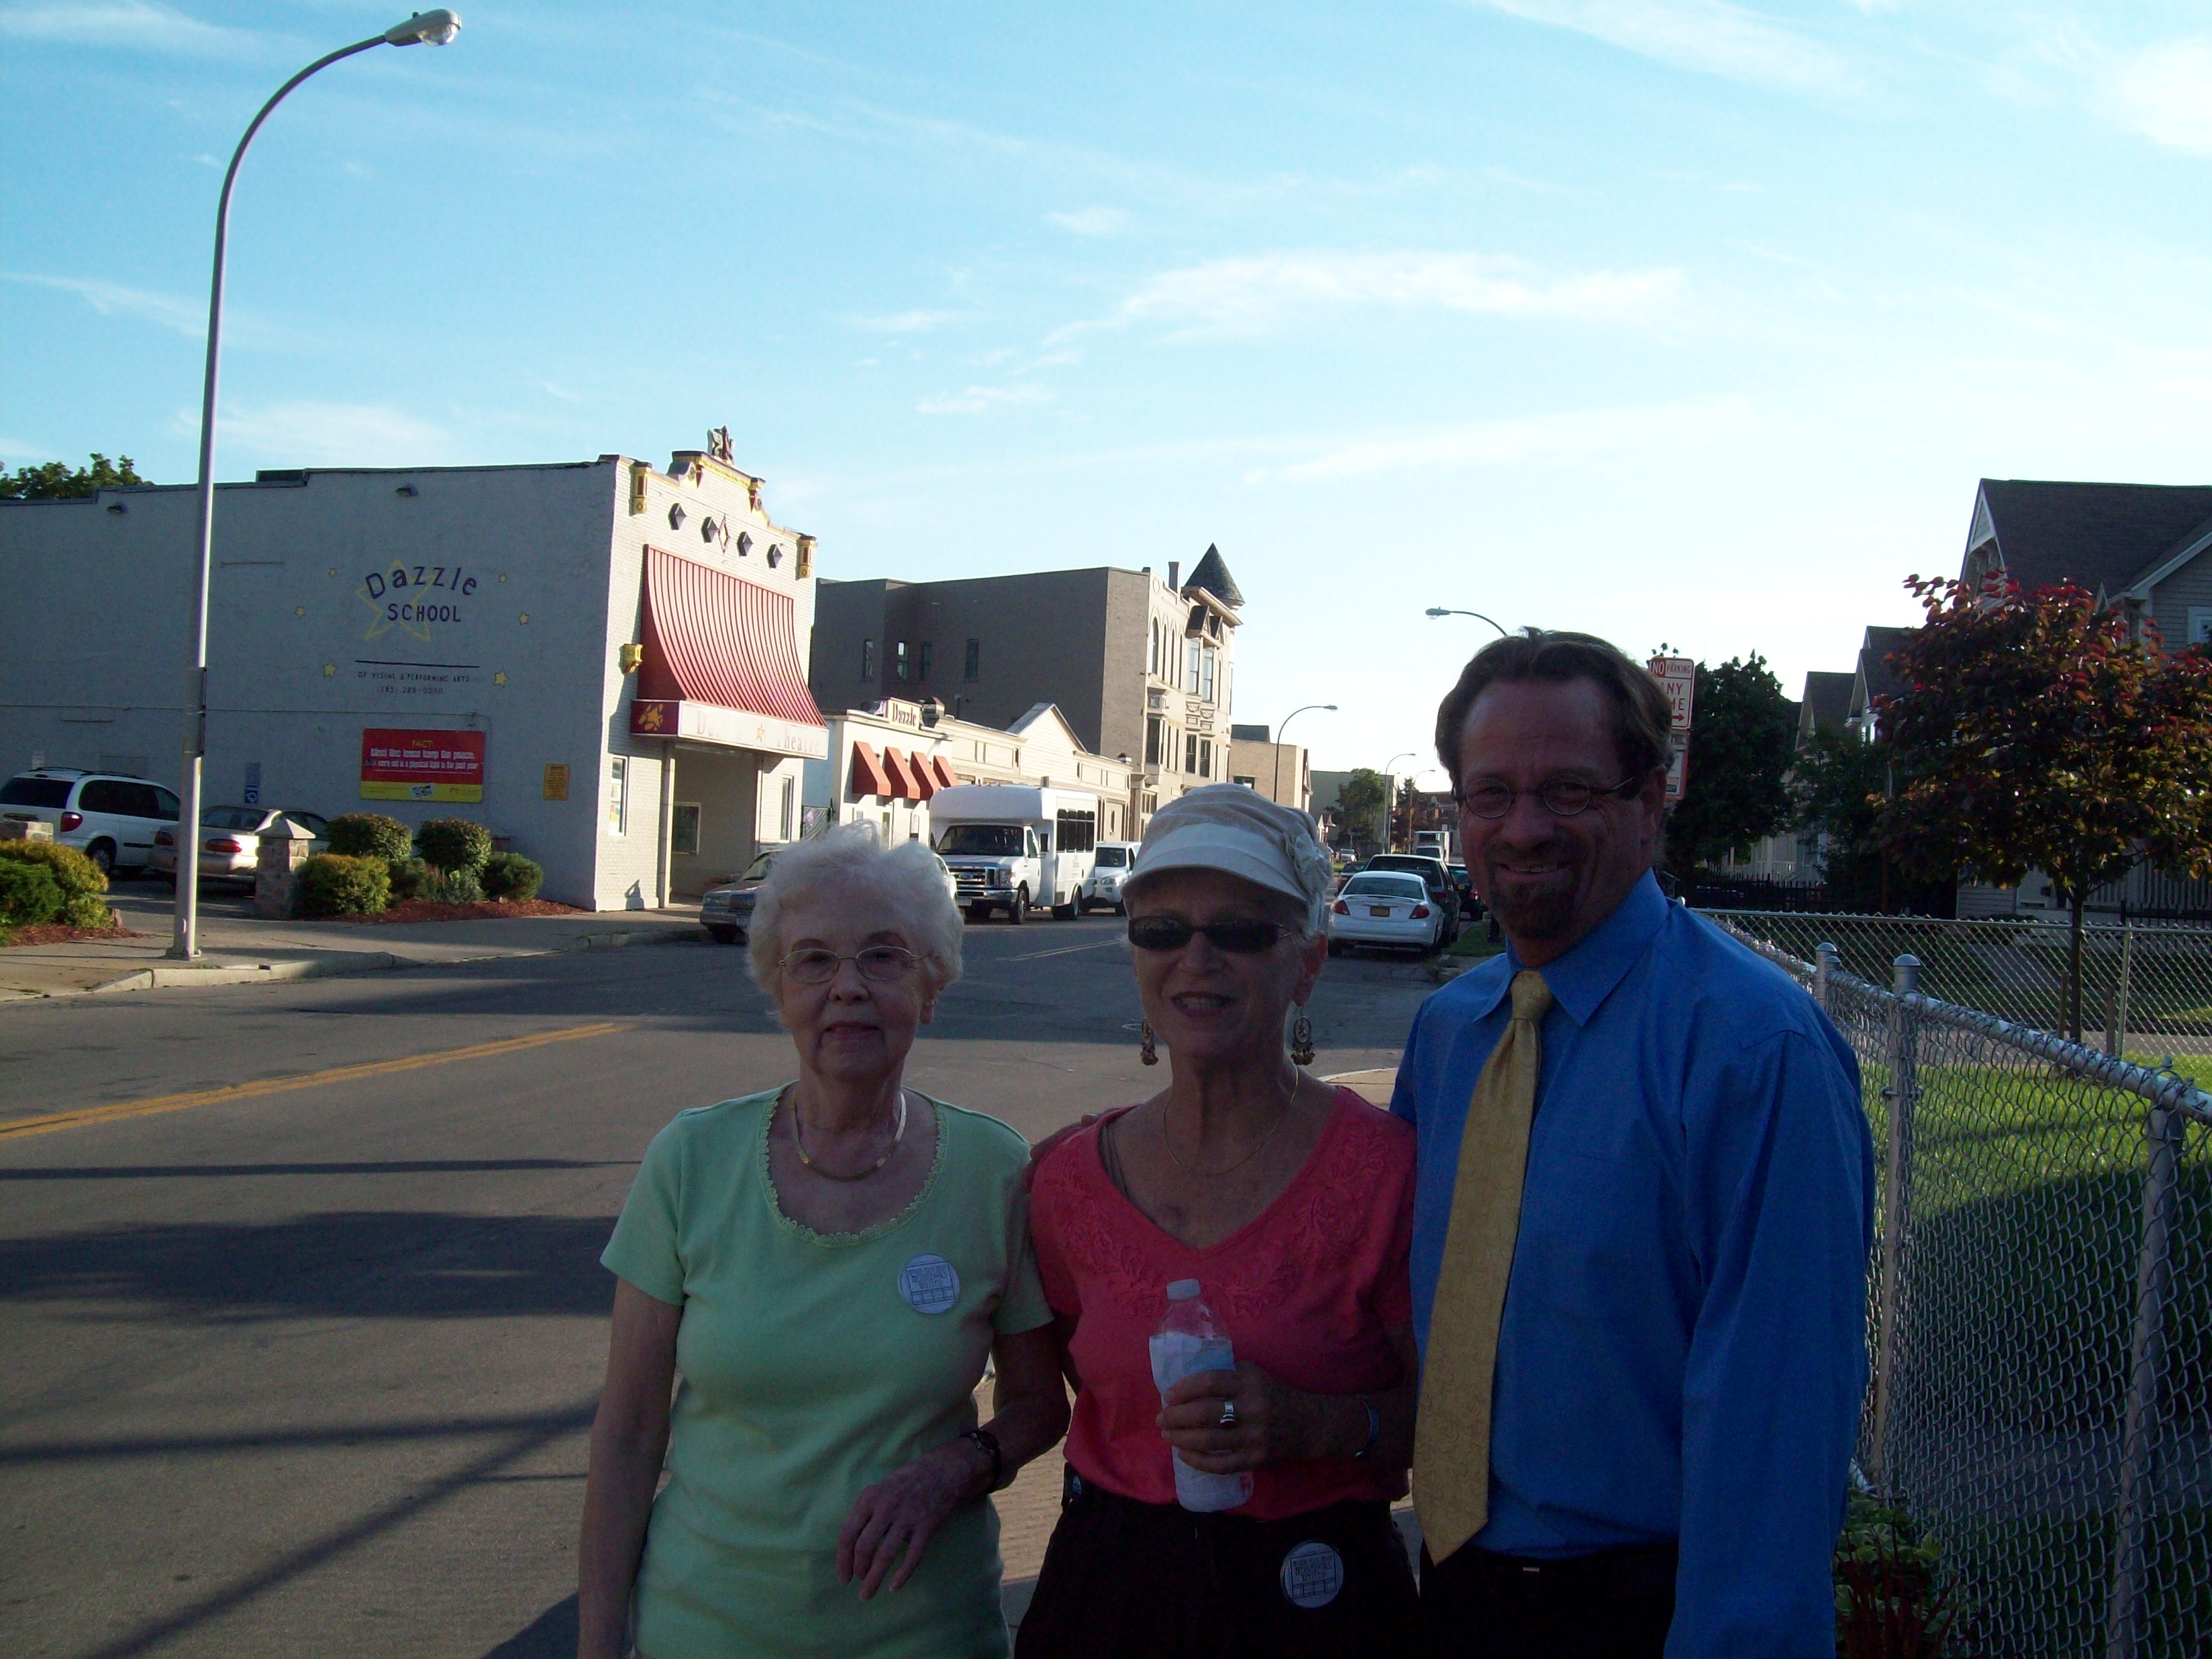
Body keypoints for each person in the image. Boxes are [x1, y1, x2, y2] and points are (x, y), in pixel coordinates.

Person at [1392, 630, 1874, 1658]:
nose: (1523, 828)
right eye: (1491, 794)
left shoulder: (1756, 1051)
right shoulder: (1448, 1033)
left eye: (1568, 791)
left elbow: (1777, 1428)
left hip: (1643, 1612)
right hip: (1451, 1590)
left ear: (1649, 804)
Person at [577, 823, 1069, 1659]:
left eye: (882, 957)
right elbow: (627, 1435)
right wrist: (594, 1647)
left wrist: (960, 1466)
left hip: (927, 1633)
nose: (847, 988)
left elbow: (1036, 1405)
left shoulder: (993, 1168)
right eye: (813, 961)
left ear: (931, 986)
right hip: (706, 1627)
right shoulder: (691, 1159)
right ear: (777, 988)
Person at [1019, 785, 1422, 1659]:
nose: (1195, 958)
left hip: (1319, 1598)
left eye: (1239, 930)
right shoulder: (1065, 1183)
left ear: (1308, 960)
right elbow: (1063, 1389)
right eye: (1162, 930)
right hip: (1108, 1597)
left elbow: (1448, 1412)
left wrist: (1317, 1425)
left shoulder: (1389, 1172)